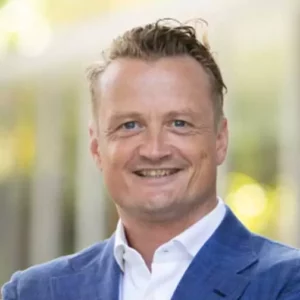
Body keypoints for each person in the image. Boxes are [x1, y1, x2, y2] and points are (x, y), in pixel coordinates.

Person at [2, 18, 300, 300]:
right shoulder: (31, 292)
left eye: (179, 123)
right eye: (130, 125)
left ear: (220, 140)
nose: (154, 150)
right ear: (96, 149)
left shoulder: (286, 282)